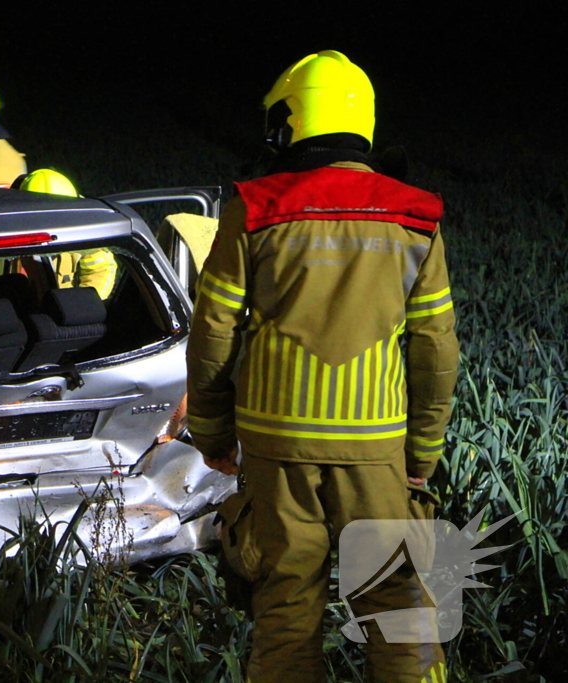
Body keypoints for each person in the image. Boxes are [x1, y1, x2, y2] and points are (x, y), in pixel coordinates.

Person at [187, 51, 457, 683]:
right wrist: (422, 452)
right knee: (398, 605)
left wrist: (211, 431)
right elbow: (437, 347)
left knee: (285, 600)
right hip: (377, 446)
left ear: (293, 120)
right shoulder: (416, 218)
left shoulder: (254, 208)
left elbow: (213, 331)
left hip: (276, 443)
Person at [0, 169, 117, 301]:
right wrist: (1, 306)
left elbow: (101, 268)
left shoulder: (81, 226)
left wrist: (82, 305)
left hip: (61, 314)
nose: (53, 228)